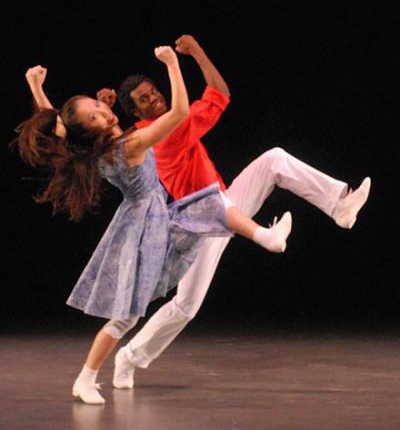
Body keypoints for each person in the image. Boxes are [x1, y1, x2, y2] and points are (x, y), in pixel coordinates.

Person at [95, 34, 371, 391]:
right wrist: (179, 62)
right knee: (186, 307)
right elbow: (212, 98)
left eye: (153, 91)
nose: (154, 97)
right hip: (195, 223)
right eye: (145, 99)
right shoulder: (163, 132)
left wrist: (198, 52)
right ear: (138, 113)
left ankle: (339, 205)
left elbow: (219, 93)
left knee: (274, 159)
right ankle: (129, 357)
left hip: (225, 204)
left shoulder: (153, 126)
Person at [18, 48, 292, 405]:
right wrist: (173, 65)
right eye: (97, 116)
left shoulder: (95, 148)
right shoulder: (130, 145)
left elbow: (57, 125)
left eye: (99, 106)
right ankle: (86, 378)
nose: (103, 110)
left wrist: (35, 86)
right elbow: (179, 112)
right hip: (146, 226)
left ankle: (264, 236)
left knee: (207, 203)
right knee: (126, 316)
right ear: (92, 131)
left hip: (154, 217)